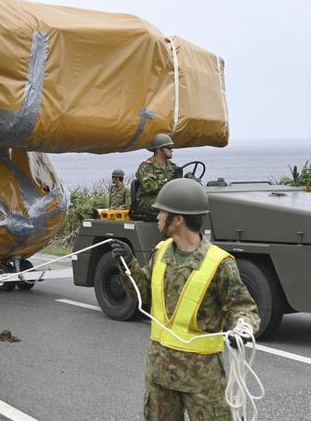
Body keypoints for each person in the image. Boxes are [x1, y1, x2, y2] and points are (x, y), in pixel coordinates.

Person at [111, 179, 259, 420]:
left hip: (201, 380)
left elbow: (243, 307)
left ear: (177, 219)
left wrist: (242, 327)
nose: (157, 216)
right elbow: (145, 295)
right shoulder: (160, 252)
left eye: (162, 212)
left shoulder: (219, 263)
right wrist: (128, 266)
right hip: (159, 375)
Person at [134, 134, 180, 215]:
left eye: (172, 148)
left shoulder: (172, 166)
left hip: (164, 197)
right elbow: (149, 187)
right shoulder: (146, 166)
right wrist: (170, 182)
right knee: (172, 203)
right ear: (159, 150)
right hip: (147, 200)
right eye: (169, 148)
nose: (172, 150)